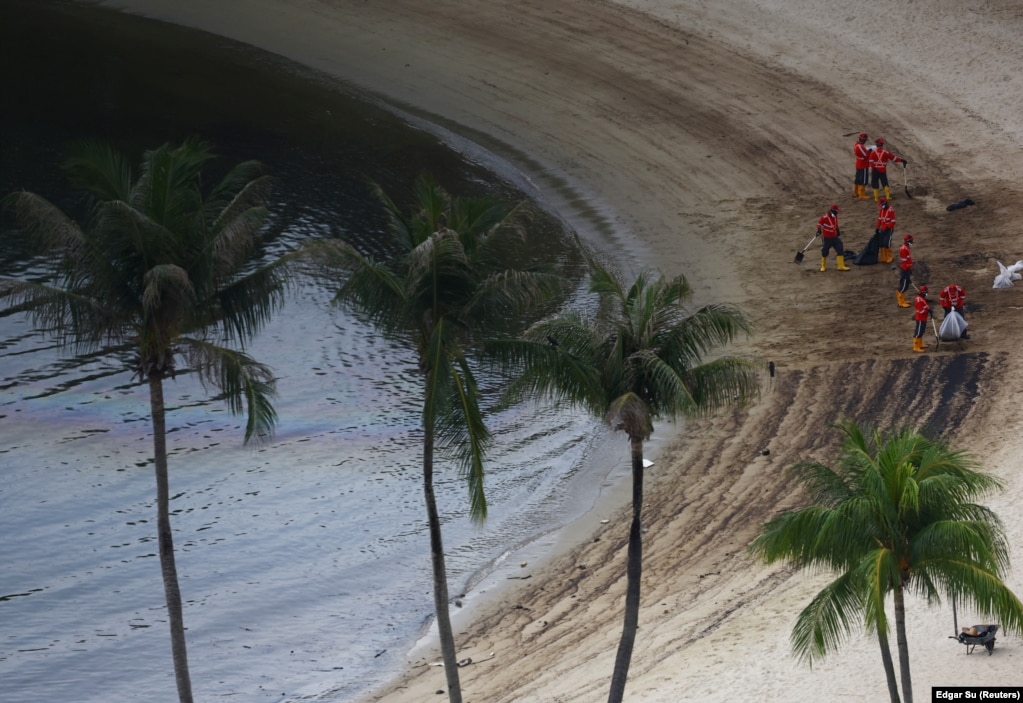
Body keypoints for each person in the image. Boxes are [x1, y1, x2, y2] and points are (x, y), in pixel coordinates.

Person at [869, 137, 908, 202]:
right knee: (885, 183)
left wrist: (874, 168)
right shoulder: (886, 153)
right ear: (882, 145)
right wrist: (902, 160)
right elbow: (894, 158)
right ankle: (888, 196)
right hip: (882, 170)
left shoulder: (873, 153)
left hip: (875, 170)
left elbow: (870, 162)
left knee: (875, 183)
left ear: (877, 145)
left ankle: (876, 198)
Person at [816, 204, 850, 272]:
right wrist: (819, 230)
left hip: (834, 237)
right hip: (826, 238)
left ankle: (840, 266)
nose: (837, 213)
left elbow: (835, 224)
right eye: (836, 211)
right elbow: (819, 224)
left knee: (840, 248)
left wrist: (837, 230)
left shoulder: (835, 216)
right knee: (825, 252)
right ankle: (823, 266)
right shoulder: (824, 217)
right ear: (833, 211)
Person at [876, 197, 897, 263]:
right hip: (882, 228)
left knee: (887, 243)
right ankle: (883, 257)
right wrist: (877, 227)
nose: (881, 206)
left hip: (888, 229)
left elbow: (893, 221)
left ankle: (890, 257)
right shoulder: (881, 210)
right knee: (882, 242)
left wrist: (888, 226)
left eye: (881, 204)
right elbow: (879, 219)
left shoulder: (890, 210)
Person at [852, 132, 873, 200]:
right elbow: (866, 156)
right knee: (863, 180)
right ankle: (861, 194)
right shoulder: (860, 146)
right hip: (863, 164)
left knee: (858, 178)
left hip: (859, 163)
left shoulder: (856, 145)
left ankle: (856, 192)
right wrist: (870, 152)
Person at [896, 233, 914, 307]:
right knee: (904, 285)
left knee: (905, 285)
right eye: (911, 240)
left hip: (907, 268)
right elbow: (905, 261)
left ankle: (902, 300)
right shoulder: (904, 249)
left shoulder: (906, 247)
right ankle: (900, 302)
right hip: (905, 269)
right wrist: (907, 271)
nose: (912, 242)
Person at [912, 284, 931, 352]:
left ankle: (920, 344)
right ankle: (916, 346)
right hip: (920, 318)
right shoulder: (919, 300)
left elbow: (925, 306)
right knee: (918, 332)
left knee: (921, 331)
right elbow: (921, 311)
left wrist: (928, 309)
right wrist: (927, 310)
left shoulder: (922, 298)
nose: (927, 293)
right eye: (926, 292)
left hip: (923, 318)